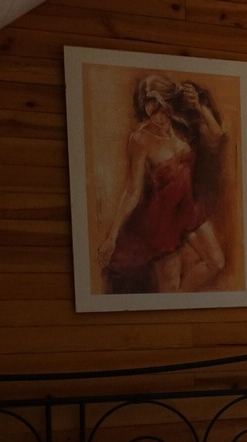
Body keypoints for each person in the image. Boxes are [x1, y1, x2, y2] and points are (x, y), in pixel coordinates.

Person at [97, 75, 227, 293]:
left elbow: (219, 134)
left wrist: (199, 106)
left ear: (170, 104)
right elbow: (132, 190)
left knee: (216, 262)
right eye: (151, 111)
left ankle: (183, 304)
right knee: (170, 285)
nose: (158, 118)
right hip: (161, 219)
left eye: (162, 109)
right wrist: (112, 237)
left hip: (188, 208)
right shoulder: (140, 140)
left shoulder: (183, 125)